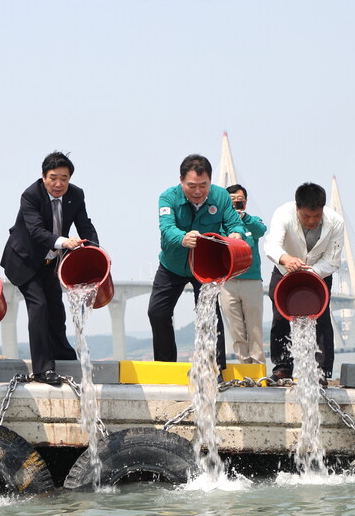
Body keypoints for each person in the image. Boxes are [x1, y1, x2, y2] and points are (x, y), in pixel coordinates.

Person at [1, 151, 98, 385]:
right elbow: (36, 231)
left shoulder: (76, 194)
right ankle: (43, 369)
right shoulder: (30, 195)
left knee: (55, 307)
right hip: (23, 261)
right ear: (43, 177)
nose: (58, 184)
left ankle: (62, 353)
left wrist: (95, 252)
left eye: (64, 178)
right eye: (53, 178)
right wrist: (64, 242)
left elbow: (85, 225)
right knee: (39, 305)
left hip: (50, 262)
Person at [147, 154, 245, 375]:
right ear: (181, 181)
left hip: (207, 265)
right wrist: (182, 238)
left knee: (210, 313)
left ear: (210, 181)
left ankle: (214, 367)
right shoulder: (168, 198)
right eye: (192, 186)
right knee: (157, 312)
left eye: (204, 185)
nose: (198, 191)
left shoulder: (220, 196)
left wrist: (236, 236)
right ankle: (165, 366)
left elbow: (233, 223)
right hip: (172, 264)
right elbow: (166, 227)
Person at [263, 182, 344, 381]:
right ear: (296, 207)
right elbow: (272, 244)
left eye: (316, 216)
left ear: (323, 209)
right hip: (285, 269)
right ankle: (282, 368)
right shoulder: (283, 214)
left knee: (322, 319)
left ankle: (321, 371)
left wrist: (311, 272)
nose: (312, 221)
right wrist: (286, 259)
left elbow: (333, 259)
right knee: (280, 319)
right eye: (306, 216)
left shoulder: (336, 222)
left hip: (319, 273)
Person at [219, 184, 267, 364]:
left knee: (254, 328)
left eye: (240, 201)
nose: (236, 205)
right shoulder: (221, 225)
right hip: (228, 282)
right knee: (237, 330)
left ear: (246, 202)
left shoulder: (253, 221)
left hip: (252, 281)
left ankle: (259, 366)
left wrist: (243, 217)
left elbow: (261, 231)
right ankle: (244, 366)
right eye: (232, 202)